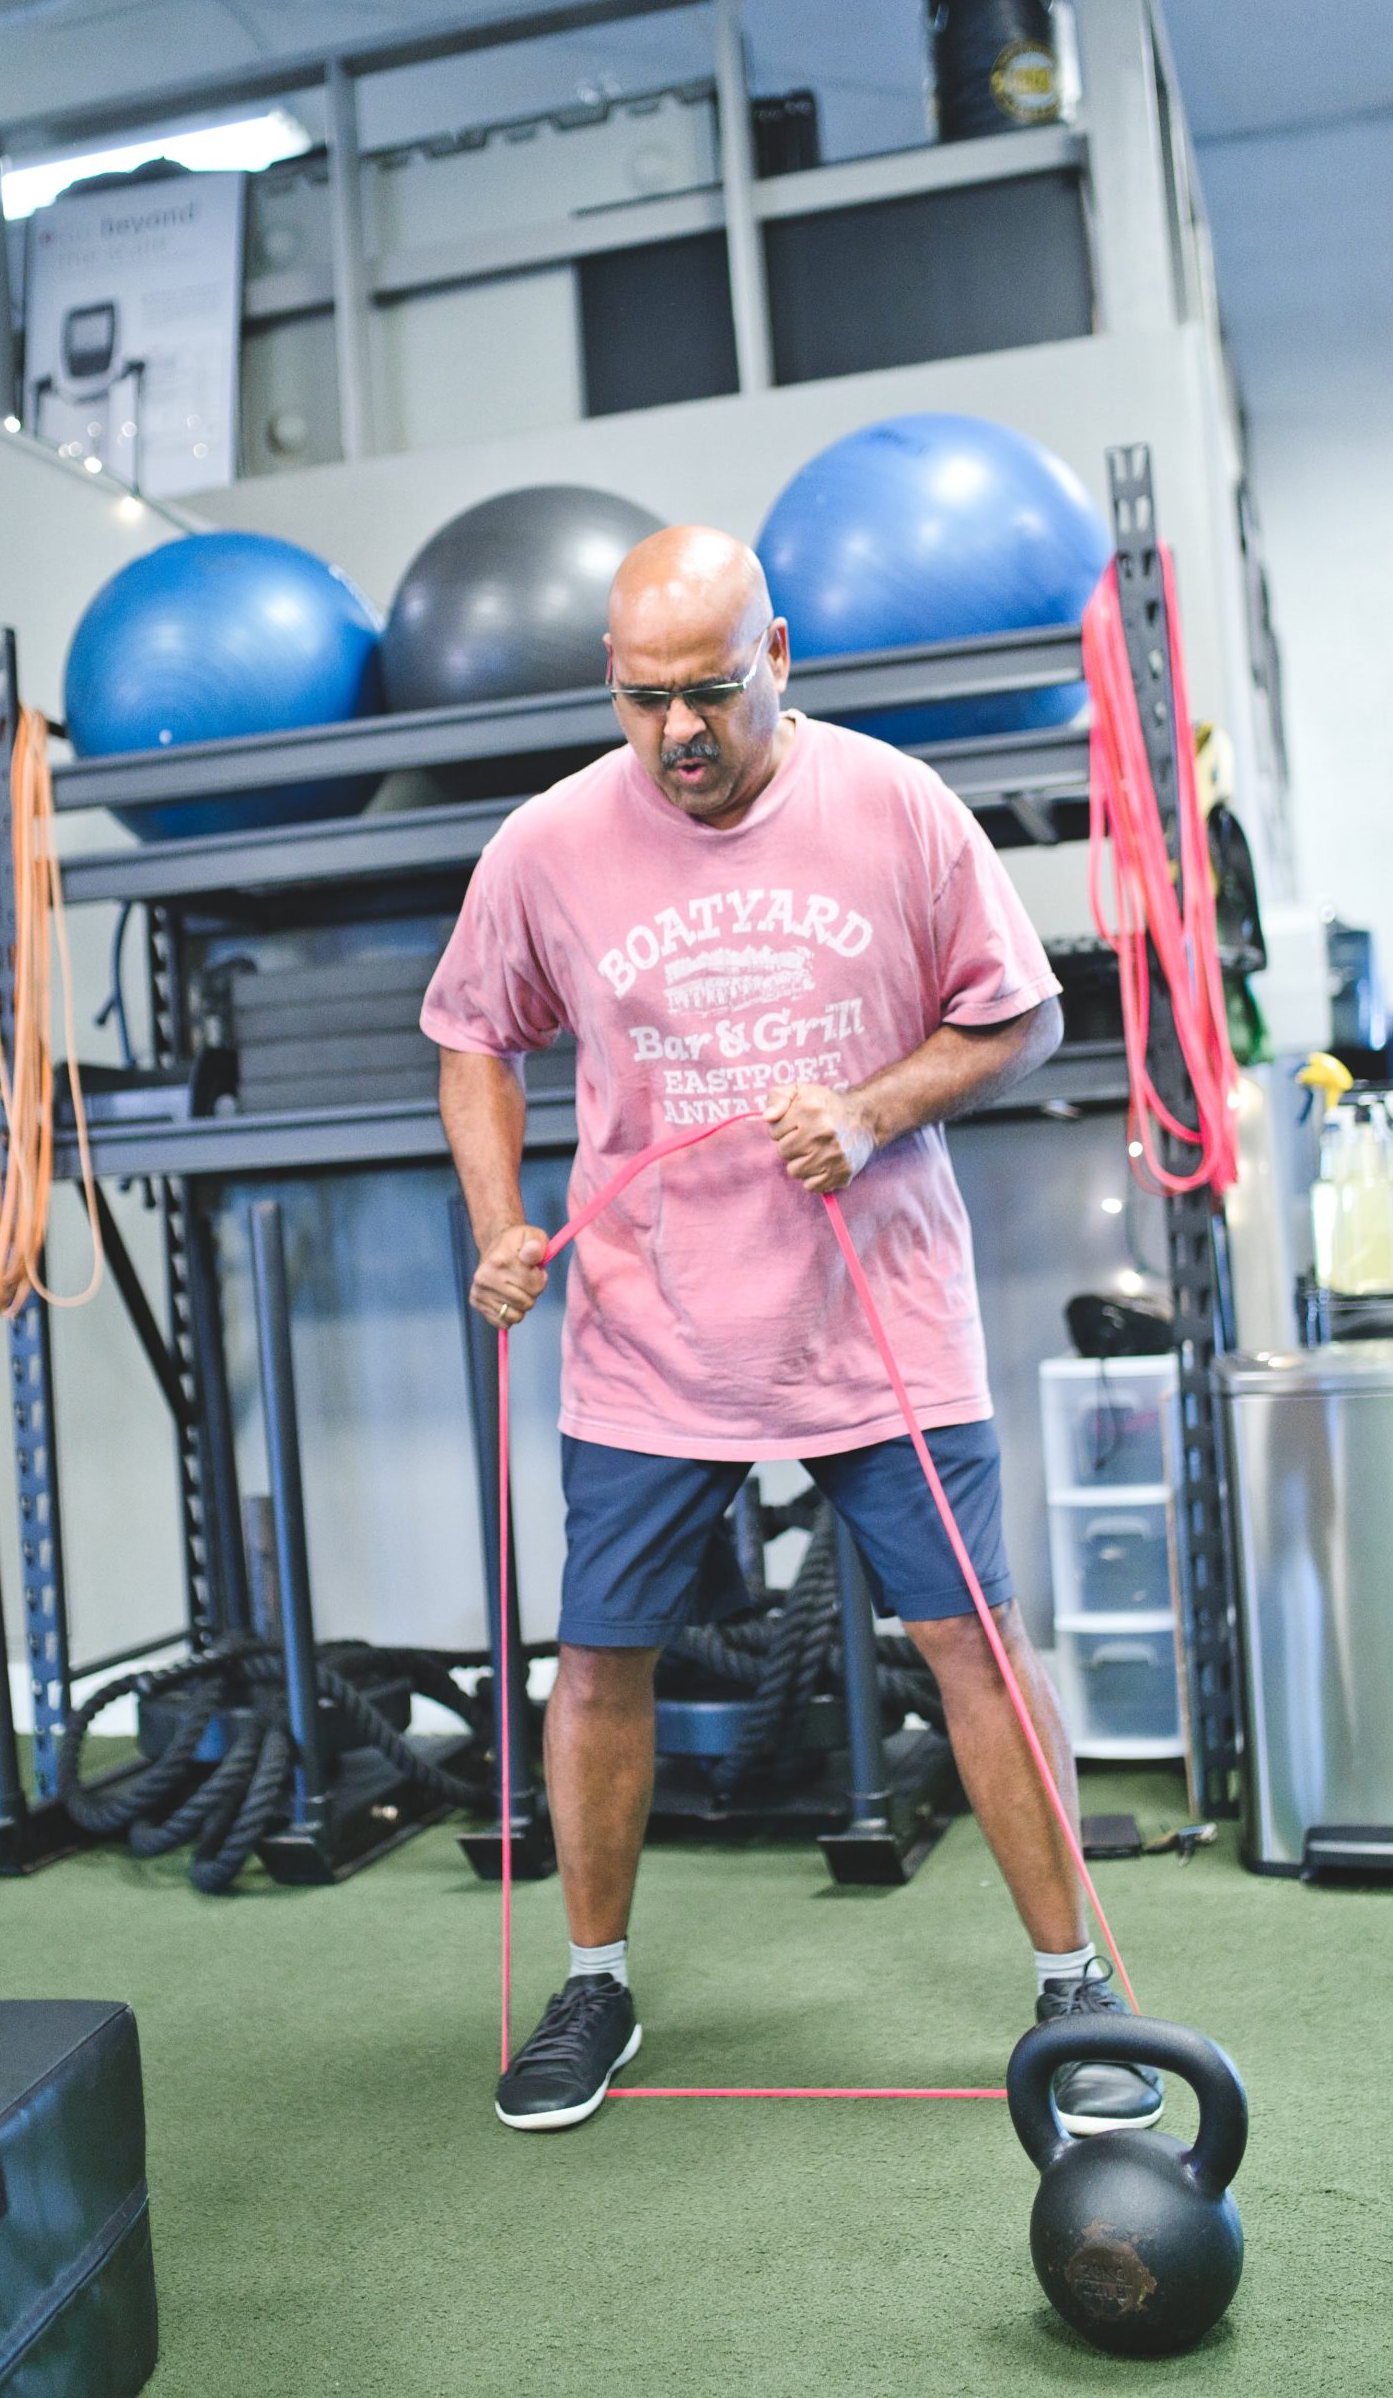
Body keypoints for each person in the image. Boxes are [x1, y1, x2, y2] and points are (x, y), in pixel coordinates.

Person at [421, 524, 1159, 2137]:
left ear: (781, 661)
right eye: (638, 701)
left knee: (973, 1647)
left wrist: (880, 1107)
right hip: (645, 1325)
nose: (675, 735)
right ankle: (594, 1981)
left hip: (875, 1314)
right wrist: (497, 1223)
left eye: (709, 693)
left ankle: (1073, 1989)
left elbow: (1019, 1008)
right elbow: (474, 1034)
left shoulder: (893, 805)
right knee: (600, 1659)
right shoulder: (548, 845)